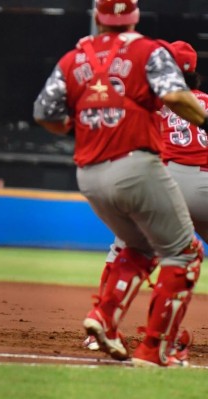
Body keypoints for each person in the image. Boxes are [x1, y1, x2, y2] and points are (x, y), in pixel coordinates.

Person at [33, 0, 207, 367]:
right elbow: (176, 96)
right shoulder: (149, 51)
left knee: (139, 247)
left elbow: (44, 112)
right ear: (136, 16)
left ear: (98, 17)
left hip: (90, 173)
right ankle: (155, 350)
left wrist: (77, 129)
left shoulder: (74, 58)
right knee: (186, 254)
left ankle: (103, 319)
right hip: (137, 168)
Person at [83, 41, 208, 363]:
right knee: (186, 258)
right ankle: (163, 342)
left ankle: (103, 321)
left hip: (161, 182)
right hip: (205, 184)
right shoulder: (203, 104)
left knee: (131, 248)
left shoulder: (148, 102)